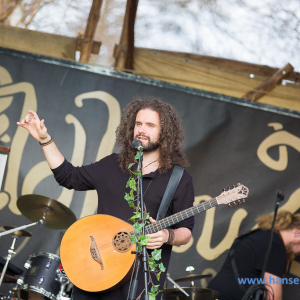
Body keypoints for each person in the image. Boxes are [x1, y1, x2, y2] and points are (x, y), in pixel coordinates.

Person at [17, 97, 195, 300]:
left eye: (150, 125)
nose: (141, 130)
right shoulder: (113, 164)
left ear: (165, 132)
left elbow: (186, 231)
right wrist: (44, 139)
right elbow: (69, 177)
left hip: (139, 282)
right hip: (94, 271)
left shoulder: (178, 179)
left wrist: (167, 236)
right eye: (138, 124)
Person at [208, 210, 300, 300]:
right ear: (298, 234)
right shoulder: (275, 245)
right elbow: (272, 297)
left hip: (213, 293)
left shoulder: (260, 236)